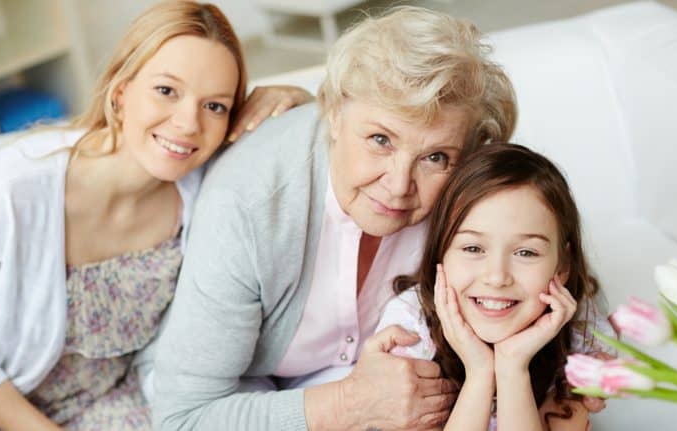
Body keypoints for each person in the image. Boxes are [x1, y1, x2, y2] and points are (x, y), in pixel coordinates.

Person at [152, 6, 520, 431]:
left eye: (434, 157)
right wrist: (351, 403)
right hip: (247, 397)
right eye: (380, 140)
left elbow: (539, 263)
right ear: (334, 114)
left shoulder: (465, 182)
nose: (399, 185)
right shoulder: (245, 205)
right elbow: (183, 418)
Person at [0, 1, 312, 430]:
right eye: (166, 91)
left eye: (215, 106)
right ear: (120, 94)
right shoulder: (8, 192)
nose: (188, 124)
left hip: (122, 399)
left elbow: (304, 160)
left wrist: (298, 101)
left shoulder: (206, 183)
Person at [376, 143, 615, 430]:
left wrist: (513, 366)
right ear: (441, 253)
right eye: (473, 248)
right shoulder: (411, 329)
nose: (497, 277)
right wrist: (479, 373)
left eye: (526, 252)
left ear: (562, 266)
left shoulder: (580, 333)